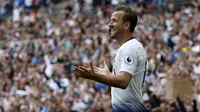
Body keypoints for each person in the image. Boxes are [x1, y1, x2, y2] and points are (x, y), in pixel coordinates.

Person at [74, 5, 148, 112]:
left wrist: (95, 77)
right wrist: (107, 75)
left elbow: (123, 81)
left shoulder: (130, 47)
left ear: (126, 25)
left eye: (114, 21)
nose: (109, 24)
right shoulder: (126, 47)